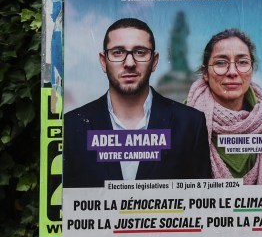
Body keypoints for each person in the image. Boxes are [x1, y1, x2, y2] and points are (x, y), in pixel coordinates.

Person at [63, 18, 212, 188]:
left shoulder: (190, 123)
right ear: (103, 61)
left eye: (140, 52)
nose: (129, 63)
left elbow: (200, 202)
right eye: (118, 52)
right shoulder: (71, 126)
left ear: (154, 61)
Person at [186, 29, 262, 185]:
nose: (232, 72)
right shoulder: (183, 123)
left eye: (243, 62)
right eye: (220, 63)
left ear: (252, 69)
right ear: (205, 72)